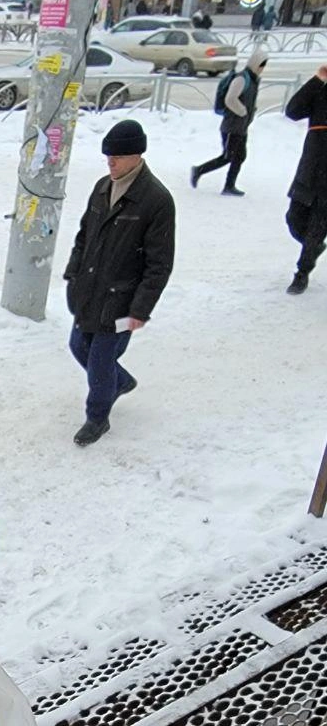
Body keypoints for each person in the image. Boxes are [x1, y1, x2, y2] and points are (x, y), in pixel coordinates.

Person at [63, 119, 176, 447]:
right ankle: (120, 381)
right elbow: (84, 236)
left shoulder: (156, 200)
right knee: (78, 346)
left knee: (100, 358)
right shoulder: (101, 188)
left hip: (124, 300)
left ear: (136, 155)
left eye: (116, 157)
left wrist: (141, 309)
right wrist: (72, 273)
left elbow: (159, 264)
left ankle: (97, 417)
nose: (110, 162)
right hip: (89, 290)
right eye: (107, 157)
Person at [190, 47, 267, 197]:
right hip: (232, 126)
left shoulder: (252, 80)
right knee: (228, 156)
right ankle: (199, 170)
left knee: (239, 156)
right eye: (262, 64)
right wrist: (242, 111)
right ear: (255, 63)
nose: (262, 68)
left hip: (241, 126)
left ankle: (229, 186)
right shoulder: (242, 79)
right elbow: (230, 99)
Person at [283, 64, 327, 295]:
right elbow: (293, 111)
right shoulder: (321, 91)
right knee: (294, 220)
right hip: (309, 172)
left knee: (316, 229)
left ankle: (302, 273)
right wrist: (317, 80)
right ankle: (314, 248)